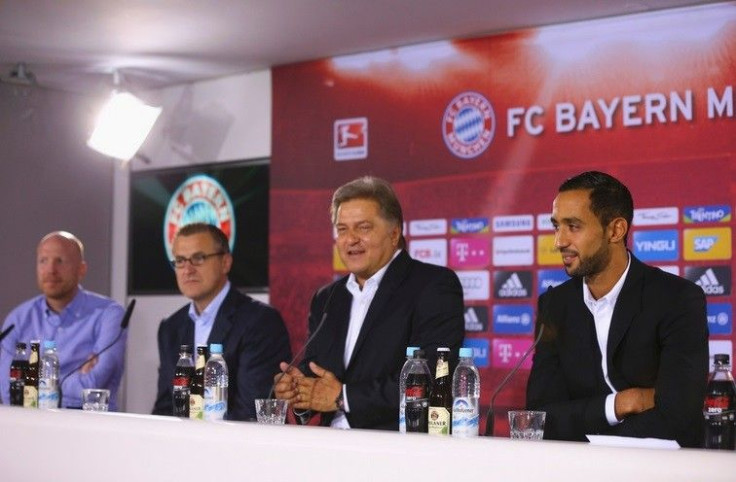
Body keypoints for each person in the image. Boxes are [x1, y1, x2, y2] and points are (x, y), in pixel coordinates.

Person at [526, 171, 709, 447]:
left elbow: (679, 415)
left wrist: (592, 436)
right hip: (577, 468)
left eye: (573, 226)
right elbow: (540, 416)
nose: (559, 241)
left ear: (615, 230)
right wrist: (619, 404)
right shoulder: (555, 305)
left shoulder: (677, 299)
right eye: (556, 226)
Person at [273, 176, 465, 430]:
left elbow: (430, 377)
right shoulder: (327, 298)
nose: (350, 239)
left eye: (363, 228)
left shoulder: (433, 286)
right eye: (342, 229)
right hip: (328, 448)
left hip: (398, 449)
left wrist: (343, 398)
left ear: (394, 233)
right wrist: (301, 393)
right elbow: (318, 376)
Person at [153, 223, 291, 421]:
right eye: (180, 261)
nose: (187, 269)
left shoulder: (260, 322)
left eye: (198, 258)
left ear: (225, 262)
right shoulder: (170, 329)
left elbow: (252, 412)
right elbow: (166, 407)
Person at [0, 231, 126, 409]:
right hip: (30, 428)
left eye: (60, 261)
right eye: (43, 261)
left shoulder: (109, 314)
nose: (51, 270)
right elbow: (10, 393)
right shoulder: (18, 319)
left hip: (89, 428)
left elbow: (94, 385)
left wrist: (34, 386)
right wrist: (72, 383)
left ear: (81, 269)